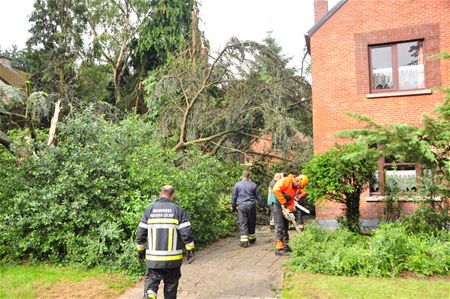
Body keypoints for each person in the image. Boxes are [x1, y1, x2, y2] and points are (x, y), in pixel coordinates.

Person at [136, 185, 195, 299]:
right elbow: (186, 232)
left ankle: (151, 293)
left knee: (151, 283)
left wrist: (140, 250)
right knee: (171, 288)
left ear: (160, 193)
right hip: (173, 260)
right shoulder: (177, 210)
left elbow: (141, 232)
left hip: (154, 260)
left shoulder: (150, 209)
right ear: (172, 196)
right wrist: (190, 249)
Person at [272, 174, 309, 255]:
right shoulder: (286, 180)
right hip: (277, 204)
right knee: (280, 225)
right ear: (297, 180)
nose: (298, 188)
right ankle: (279, 248)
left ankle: (286, 245)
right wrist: (283, 201)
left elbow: (291, 200)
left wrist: (291, 210)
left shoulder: (295, 188)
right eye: (299, 185)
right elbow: (275, 189)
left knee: (285, 225)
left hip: (284, 204)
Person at [231, 170, 269, 247]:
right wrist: (264, 206)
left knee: (243, 222)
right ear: (249, 177)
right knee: (251, 221)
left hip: (242, 206)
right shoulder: (253, 185)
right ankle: (251, 238)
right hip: (251, 206)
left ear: (242, 176)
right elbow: (259, 197)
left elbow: (234, 197)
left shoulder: (237, 185)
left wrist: (233, 207)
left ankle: (244, 242)